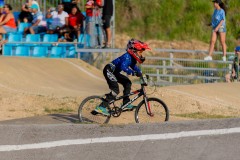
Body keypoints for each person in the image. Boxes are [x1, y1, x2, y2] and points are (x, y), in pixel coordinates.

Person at [94, 39, 151, 116]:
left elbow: (134, 67)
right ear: (133, 50)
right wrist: (133, 73)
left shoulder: (132, 59)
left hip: (115, 73)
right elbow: (123, 67)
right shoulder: (127, 56)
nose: (141, 55)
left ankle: (126, 103)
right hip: (109, 70)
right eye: (140, 52)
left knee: (127, 83)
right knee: (115, 90)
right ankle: (101, 107)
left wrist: (141, 74)